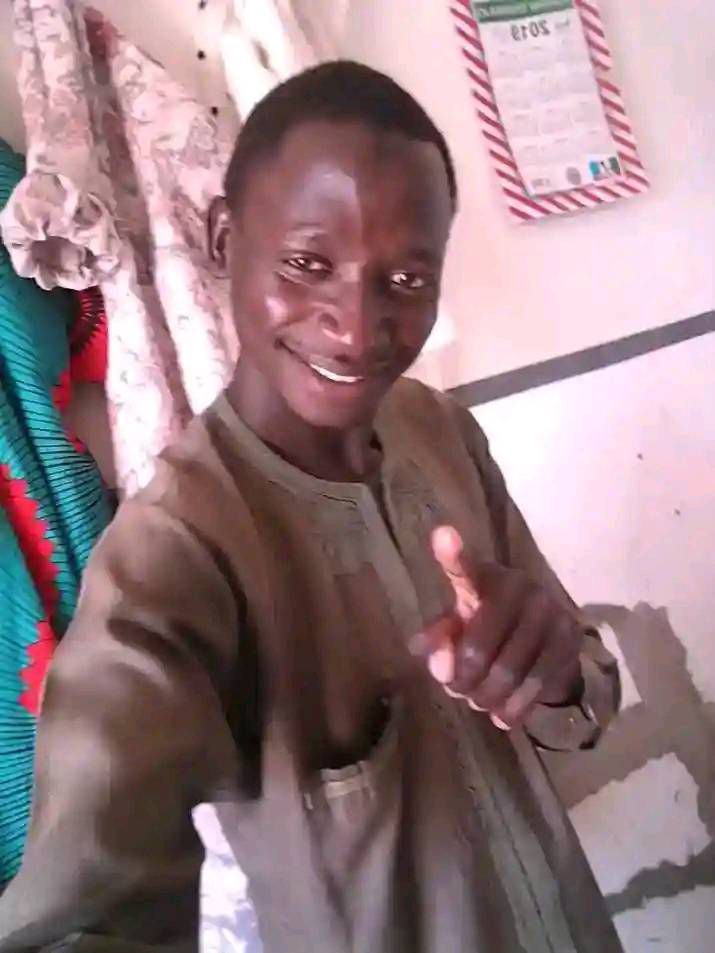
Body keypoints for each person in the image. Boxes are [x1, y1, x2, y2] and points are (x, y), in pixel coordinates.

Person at [0, 61, 623, 952]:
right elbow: (84, 907)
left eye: (405, 280)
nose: (356, 327)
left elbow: (587, 695)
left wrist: (552, 666)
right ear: (224, 240)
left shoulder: (440, 431)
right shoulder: (174, 554)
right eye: (307, 264)